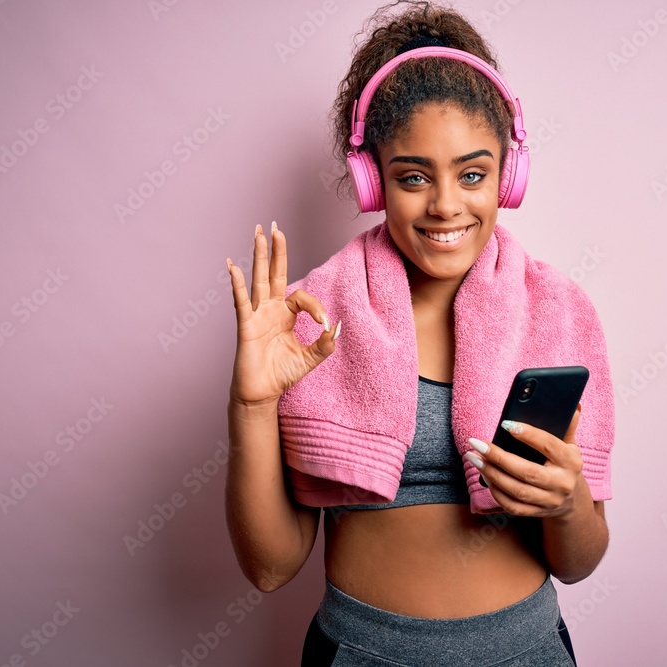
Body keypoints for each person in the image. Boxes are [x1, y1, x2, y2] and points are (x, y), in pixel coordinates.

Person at [224, 2, 614, 664]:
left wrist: (568, 501)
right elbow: (270, 567)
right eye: (412, 176)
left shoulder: (561, 312)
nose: (445, 204)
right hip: (362, 653)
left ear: (507, 178)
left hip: (529, 652)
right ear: (371, 178)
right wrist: (253, 406)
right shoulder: (313, 322)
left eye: (472, 173)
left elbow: (579, 561)